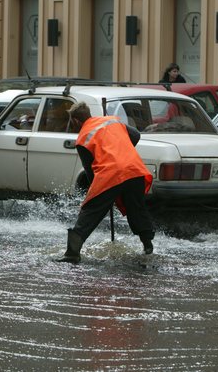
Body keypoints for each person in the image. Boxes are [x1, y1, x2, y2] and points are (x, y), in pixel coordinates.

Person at [58, 102, 155, 263]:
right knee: (136, 208)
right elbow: (136, 135)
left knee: (90, 211)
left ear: (75, 121)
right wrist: (121, 150)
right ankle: (147, 246)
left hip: (110, 174)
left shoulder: (83, 138)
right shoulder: (113, 121)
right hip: (134, 169)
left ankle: (72, 253)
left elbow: (90, 172)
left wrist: (96, 195)